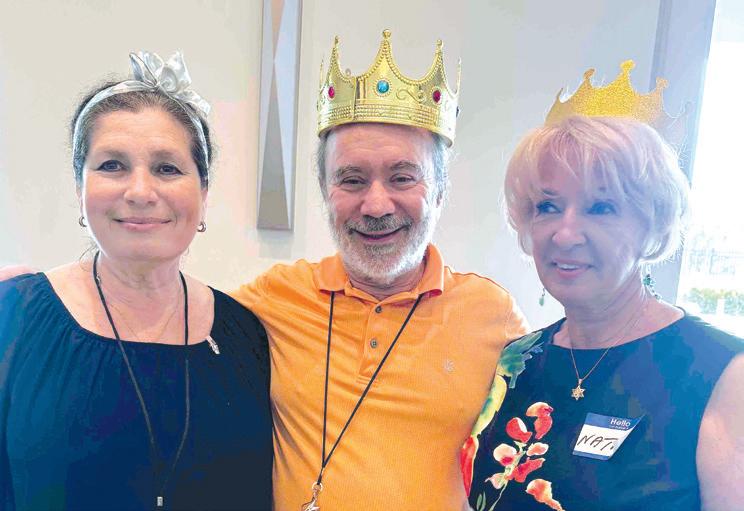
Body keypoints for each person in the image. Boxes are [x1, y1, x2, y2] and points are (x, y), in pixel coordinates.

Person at [231, 30, 528, 510]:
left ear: (440, 191)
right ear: (325, 191)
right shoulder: (273, 299)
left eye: (402, 178)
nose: (375, 205)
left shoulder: (494, 317)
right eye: (351, 180)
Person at [465, 62, 744, 511]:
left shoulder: (722, 374)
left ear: (653, 222)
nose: (566, 234)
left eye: (601, 207)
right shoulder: (517, 362)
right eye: (548, 206)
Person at [0, 51, 272, 510]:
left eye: (167, 168)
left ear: (203, 193)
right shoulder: (13, 319)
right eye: (112, 165)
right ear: (79, 188)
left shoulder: (247, 335)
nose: (141, 192)